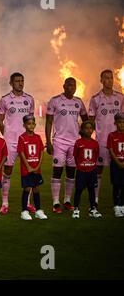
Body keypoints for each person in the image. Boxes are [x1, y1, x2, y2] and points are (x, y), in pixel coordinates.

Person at [46, 77, 89, 213]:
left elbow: (86, 120)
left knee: (71, 172)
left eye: (74, 85)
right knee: (57, 171)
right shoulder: (55, 100)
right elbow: (48, 122)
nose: (72, 87)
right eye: (69, 85)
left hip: (74, 143)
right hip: (59, 142)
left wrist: (83, 136)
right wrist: (48, 141)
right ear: (64, 86)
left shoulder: (78, 102)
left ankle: (67, 200)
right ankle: (56, 202)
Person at [0, 72, 35, 214]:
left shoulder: (30, 99)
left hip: (27, 142)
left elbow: (30, 120)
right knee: (7, 171)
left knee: (29, 171)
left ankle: (28, 203)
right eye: (17, 81)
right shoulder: (4, 100)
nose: (20, 83)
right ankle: (5, 203)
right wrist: (6, 134)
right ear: (11, 83)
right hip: (11, 142)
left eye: (22, 80)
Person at [88, 69, 124, 205]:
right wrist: (89, 139)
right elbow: (91, 121)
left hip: (119, 141)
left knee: (120, 169)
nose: (109, 80)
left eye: (111, 78)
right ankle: (95, 199)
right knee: (99, 170)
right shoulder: (95, 99)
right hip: (102, 141)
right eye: (106, 78)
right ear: (101, 80)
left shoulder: (120, 97)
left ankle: (120, 200)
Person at [17, 115, 48, 220]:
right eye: (28, 124)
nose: (31, 125)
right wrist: (28, 166)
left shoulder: (38, 137)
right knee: (27, 189)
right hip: (26, 169)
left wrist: (38, 166)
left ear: (35, 125)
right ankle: (24, 211)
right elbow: (21, 153)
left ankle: (38, 210)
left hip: (36, 169)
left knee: (36, 189)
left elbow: (41, 152)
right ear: (24, 125)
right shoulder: (22, 137)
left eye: (32, 124)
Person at [72, 120, 102, 218]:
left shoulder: (95, 143)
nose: (89, 130)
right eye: (86, 128)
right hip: (81, 171)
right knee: (79, 190)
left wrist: (91, 166)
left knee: (92, 190)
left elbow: (96, 156)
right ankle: (76, 209)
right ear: (82, 130)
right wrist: (80, 166)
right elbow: (76, 156)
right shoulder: (78, 142)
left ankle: (92, 208)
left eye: (91, 128)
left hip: (92, 171)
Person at [106, 112, 124, 217]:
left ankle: (122, 205)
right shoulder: (112, 135)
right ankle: (116, 206)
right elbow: (111, 149)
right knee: (116, 185)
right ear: (115, 123)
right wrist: (118, 162)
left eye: (123, 122)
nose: (121, 124)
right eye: (119, 122)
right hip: (115, 164)